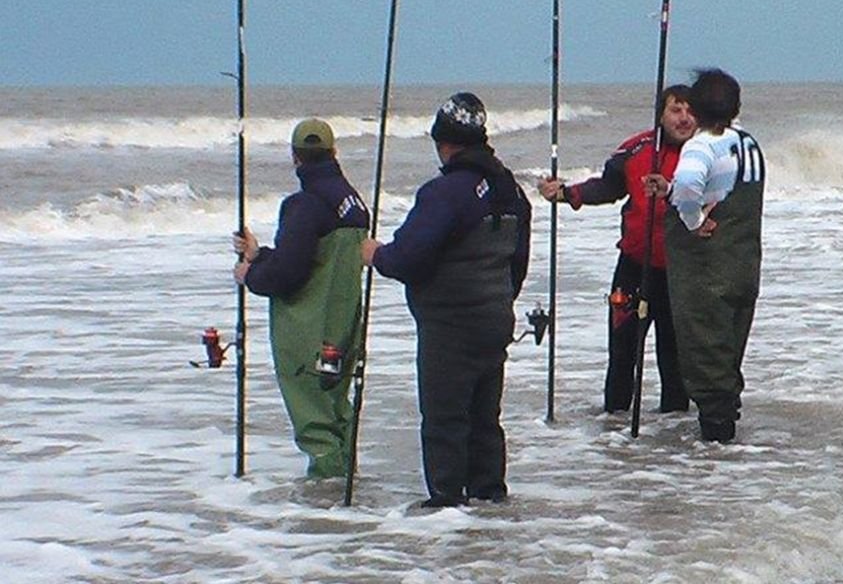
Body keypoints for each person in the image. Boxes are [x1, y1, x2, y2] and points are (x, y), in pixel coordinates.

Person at [363, 93, 531, 508]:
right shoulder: (509, 188)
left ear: (444, 142)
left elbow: (408, 258)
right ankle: (490, 496)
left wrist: (375, 254)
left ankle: (447, 505)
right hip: (495, 316)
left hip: (450, 325)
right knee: (484, 418)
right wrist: (501, 296)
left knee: (445, 419)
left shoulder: (444, 193)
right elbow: (518, 259)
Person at [537, 86, 694, 414]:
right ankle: (615, 436)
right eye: (675, 110)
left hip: (684, 274)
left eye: (690, 111)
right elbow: (606, 187)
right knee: (622, 353)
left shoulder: (706, 154)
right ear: (660, 115)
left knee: (675, 361)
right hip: (634, 267)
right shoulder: (637, 150)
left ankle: (675, 444)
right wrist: (566, 193)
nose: (684, 119)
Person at [232, 118, 369, 478]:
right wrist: (260, 254)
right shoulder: (354, 204)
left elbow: (288, 275)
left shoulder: (303, 205)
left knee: (316, 423)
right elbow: (313, 258)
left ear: (296, 158)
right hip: (343, 328)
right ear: (333, 153)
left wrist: (251, 274)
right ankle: (346, 492)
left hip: (305, 331)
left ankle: (325, 507)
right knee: (338, 409)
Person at [661, 69, 764, 443]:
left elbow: (691, 185)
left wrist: (690, 221)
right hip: (744, 265)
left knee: (706, 358)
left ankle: (716, 445)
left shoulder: (702, 145)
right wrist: (673, 189)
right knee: (728, 353)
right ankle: (728, 444)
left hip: (707, 272)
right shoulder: (748, 143)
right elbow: (717, 185)